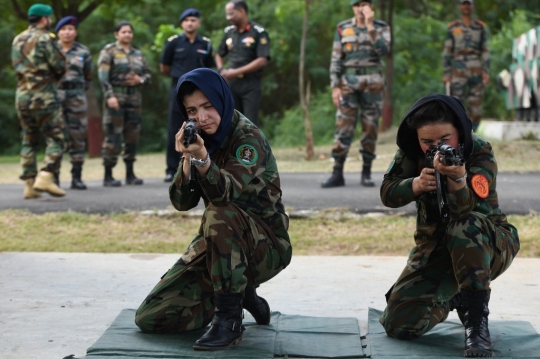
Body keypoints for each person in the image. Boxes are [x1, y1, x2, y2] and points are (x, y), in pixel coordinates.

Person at [134, 68, 292, 351]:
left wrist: (203, 158)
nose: (202, 118)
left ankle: (229, 321)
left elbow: (223, 195)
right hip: (220, 246)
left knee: (220, 213)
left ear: (222, 100)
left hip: (267, 247)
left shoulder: (247, 140)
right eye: (192, 111)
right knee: (152, 317)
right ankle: (240, 292)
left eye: (208, 107)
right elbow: (182, 203)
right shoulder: (199, 140)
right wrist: (187, 158)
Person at [379, 94, 519, 358]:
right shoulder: (411, 153)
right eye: (427, 142)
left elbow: (464, 211)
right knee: (398, 325)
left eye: (445, 140)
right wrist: (415, 184)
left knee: (464, 225)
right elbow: (387, 193)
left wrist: (458, 179)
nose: (436, 147)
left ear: (460, 132)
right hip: (437, 248)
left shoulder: (478, 151)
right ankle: (455, 297)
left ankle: (476, 323)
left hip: (488, 245)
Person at [322, 0, 391, 189]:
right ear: (352, 7)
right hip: (349, 84)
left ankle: (366, 173)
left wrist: (369, 25)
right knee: (343, 128)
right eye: (357, 4)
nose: (361, 8)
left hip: (373, 84)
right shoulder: (343, 28)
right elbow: (336, 59)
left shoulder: (381, 27)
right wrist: (335, 87)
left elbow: (384, 50)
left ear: (371, 6)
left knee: (370, 128)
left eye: (365, 4)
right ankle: (337, 173)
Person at [11, 3, 67, 199]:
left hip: (23, 96)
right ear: (44, 19)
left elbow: (17, 66)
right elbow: (59, 65)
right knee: (57, 136)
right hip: (44, 96)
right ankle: (45, 175)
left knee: (28, 138)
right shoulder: (46, 38)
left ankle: (29, 185)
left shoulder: (18, 39)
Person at [161, 8, 215, 183]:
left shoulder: (205, 44)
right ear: (182, 23)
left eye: (193, 20)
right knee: (174, 129)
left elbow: (209, 68)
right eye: (186, 20)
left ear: (198, 23)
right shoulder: (173, 43)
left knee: (203, 127)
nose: (190, 23)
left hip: (200, 93)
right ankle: (171, 169)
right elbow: (165, 67)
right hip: (178, 90)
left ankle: (202, 166)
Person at [98, 20, 151, 187]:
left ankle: (130, 174)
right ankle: (108, 175)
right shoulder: (109, 51)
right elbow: (103, 77)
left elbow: (148, 75)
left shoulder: (138, 54)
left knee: (132, 136)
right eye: (123, 32)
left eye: (129, 32)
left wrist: (140, 80)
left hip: (134, 99)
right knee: (112, 136)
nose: (127, 34)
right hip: (116, 98)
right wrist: (109, 96)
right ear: (116, 34)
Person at [215, 0, 270, 128]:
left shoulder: (258, 31)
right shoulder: (228, 32)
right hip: (231, 83)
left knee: (249, 123)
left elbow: (262, 60)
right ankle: (234, 148)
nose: (228, 18)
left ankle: (252, 148)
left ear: (242, 11)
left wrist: (235, 72)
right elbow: (219, 54)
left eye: (231, 14)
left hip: (250, 83)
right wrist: (220, 69)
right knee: (231, 121)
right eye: (227, 15)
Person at [56, 16, 93, 190]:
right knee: (55, 135)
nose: (67, 32)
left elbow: (88, 77)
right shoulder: (51, 49)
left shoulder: (83, 51)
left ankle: (76, 177)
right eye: (63, 29)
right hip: (55, 96)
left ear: (75, 32)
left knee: (77, 135)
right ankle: (53, 177)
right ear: (58, 32)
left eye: (70, 29)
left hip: (77, 97)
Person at [442, 0, 490, 132]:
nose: (466, 7)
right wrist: (446, 73)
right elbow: (447, 51)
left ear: (472, 6)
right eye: (464, 4)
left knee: (476, 103)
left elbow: (485, 51)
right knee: (456, 102)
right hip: (458, 68)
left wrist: (486, 71)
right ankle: (458, 132)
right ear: (460, 6)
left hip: (476, 67)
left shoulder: (480, 27)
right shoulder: (453, 27)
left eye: (469, 4)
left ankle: (473, 134)